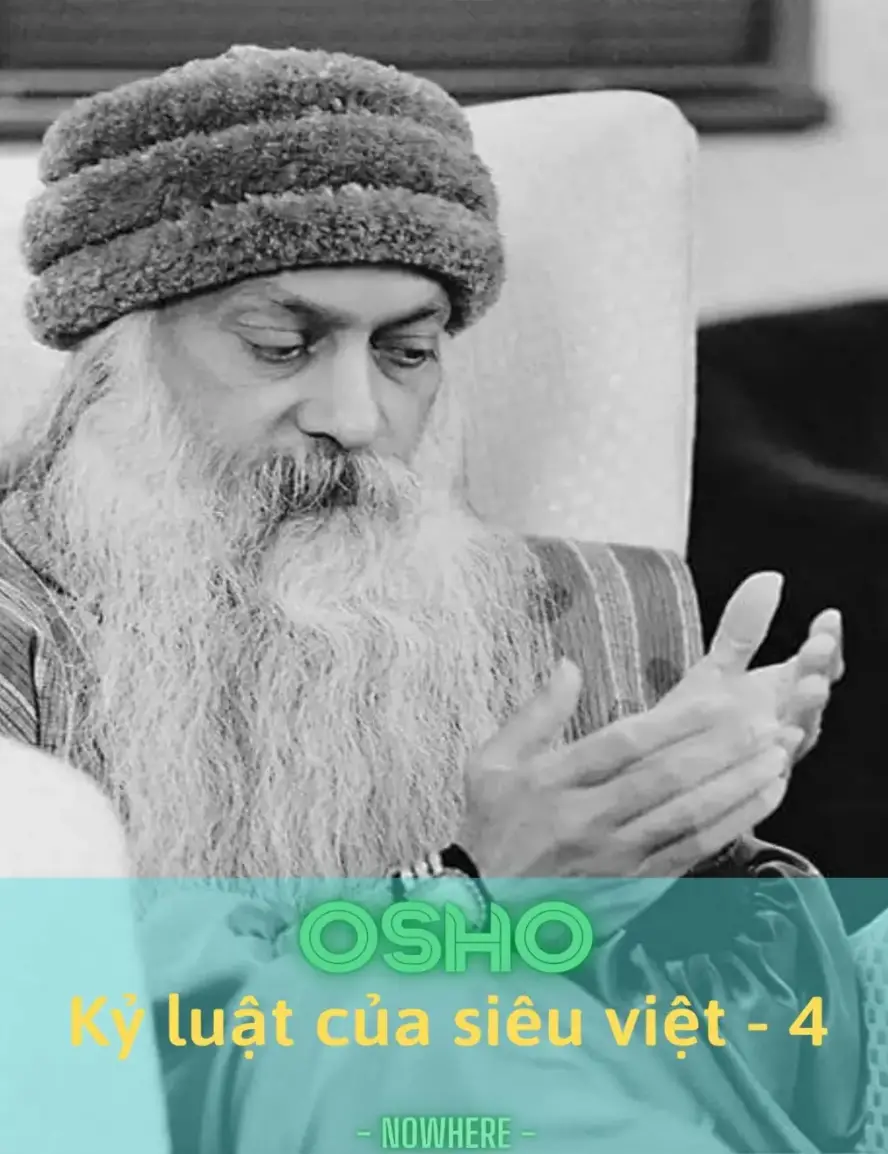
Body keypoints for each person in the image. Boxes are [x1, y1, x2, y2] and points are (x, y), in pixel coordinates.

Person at [0, 43, 870, 1153]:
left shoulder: (589, 606)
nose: (355, 417)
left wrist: (703, 852)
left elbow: (784, 1081)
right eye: (281, 345)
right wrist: (470, 900)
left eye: (406, 354)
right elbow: (53, 1049)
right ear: (112, 357)